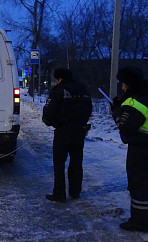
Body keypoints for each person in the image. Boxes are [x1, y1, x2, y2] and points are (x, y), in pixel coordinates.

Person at [111, 66, 148, 232]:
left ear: (129, 84)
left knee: (138, 184)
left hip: (139, 147)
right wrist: (121, 106)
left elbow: (126, 127)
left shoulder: (134, 102)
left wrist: (116, 113)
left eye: (123, 84)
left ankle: (139, 221)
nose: (122, 87)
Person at [42, 68, 92, 203]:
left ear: (60, 78)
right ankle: (75, 191)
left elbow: (48, 115)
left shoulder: (58, 91)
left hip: (63, 132)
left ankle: (59, 194)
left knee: (59, 163)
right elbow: (89, 110)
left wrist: (54, 122)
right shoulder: (83, 90)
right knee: (76, 161)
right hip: (79, 131)